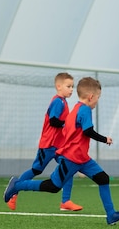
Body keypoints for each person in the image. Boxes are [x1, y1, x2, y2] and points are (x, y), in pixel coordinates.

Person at [3, 77, 119, 225]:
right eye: (98, 97)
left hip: (82, 159)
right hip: (71, 159)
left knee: (103, 179)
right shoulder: (84, 110)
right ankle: (17, 185)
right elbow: (88, 131)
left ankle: (111, 215)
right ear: (91, 97)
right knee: (52, 187)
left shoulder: (76, 108)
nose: (98, 100)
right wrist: (105, 139)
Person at [7, 72, 83, 212]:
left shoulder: (63, 102)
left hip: (58, 146)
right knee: (36, 170)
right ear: (58, 86)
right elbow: (54, 121)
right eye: (68, 86)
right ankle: (15, 188)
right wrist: (69, 124)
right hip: (48, 145)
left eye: (73, 86)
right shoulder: (57, 101)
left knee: (68, 168)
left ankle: (65, 201)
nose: (71, 89)